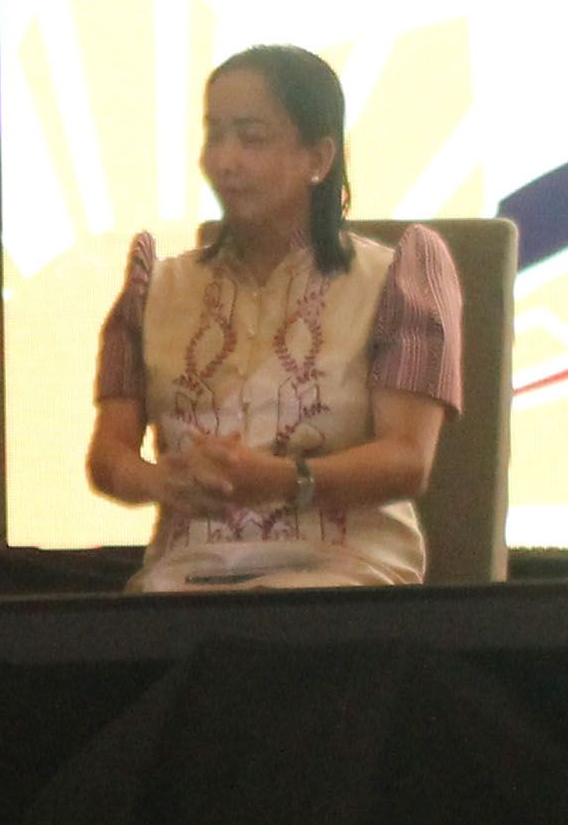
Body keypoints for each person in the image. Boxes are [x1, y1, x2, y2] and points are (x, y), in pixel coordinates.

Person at [85, 43, 461, 590]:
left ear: (319, 158)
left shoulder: (396, 280)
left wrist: (285, 480)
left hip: (340, 577)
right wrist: (158, 480)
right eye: (215, 135)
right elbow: (108, 455)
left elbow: (408, 460)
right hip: (188, 579)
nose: (225, 159)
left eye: (252, 138)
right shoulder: (157, 287)